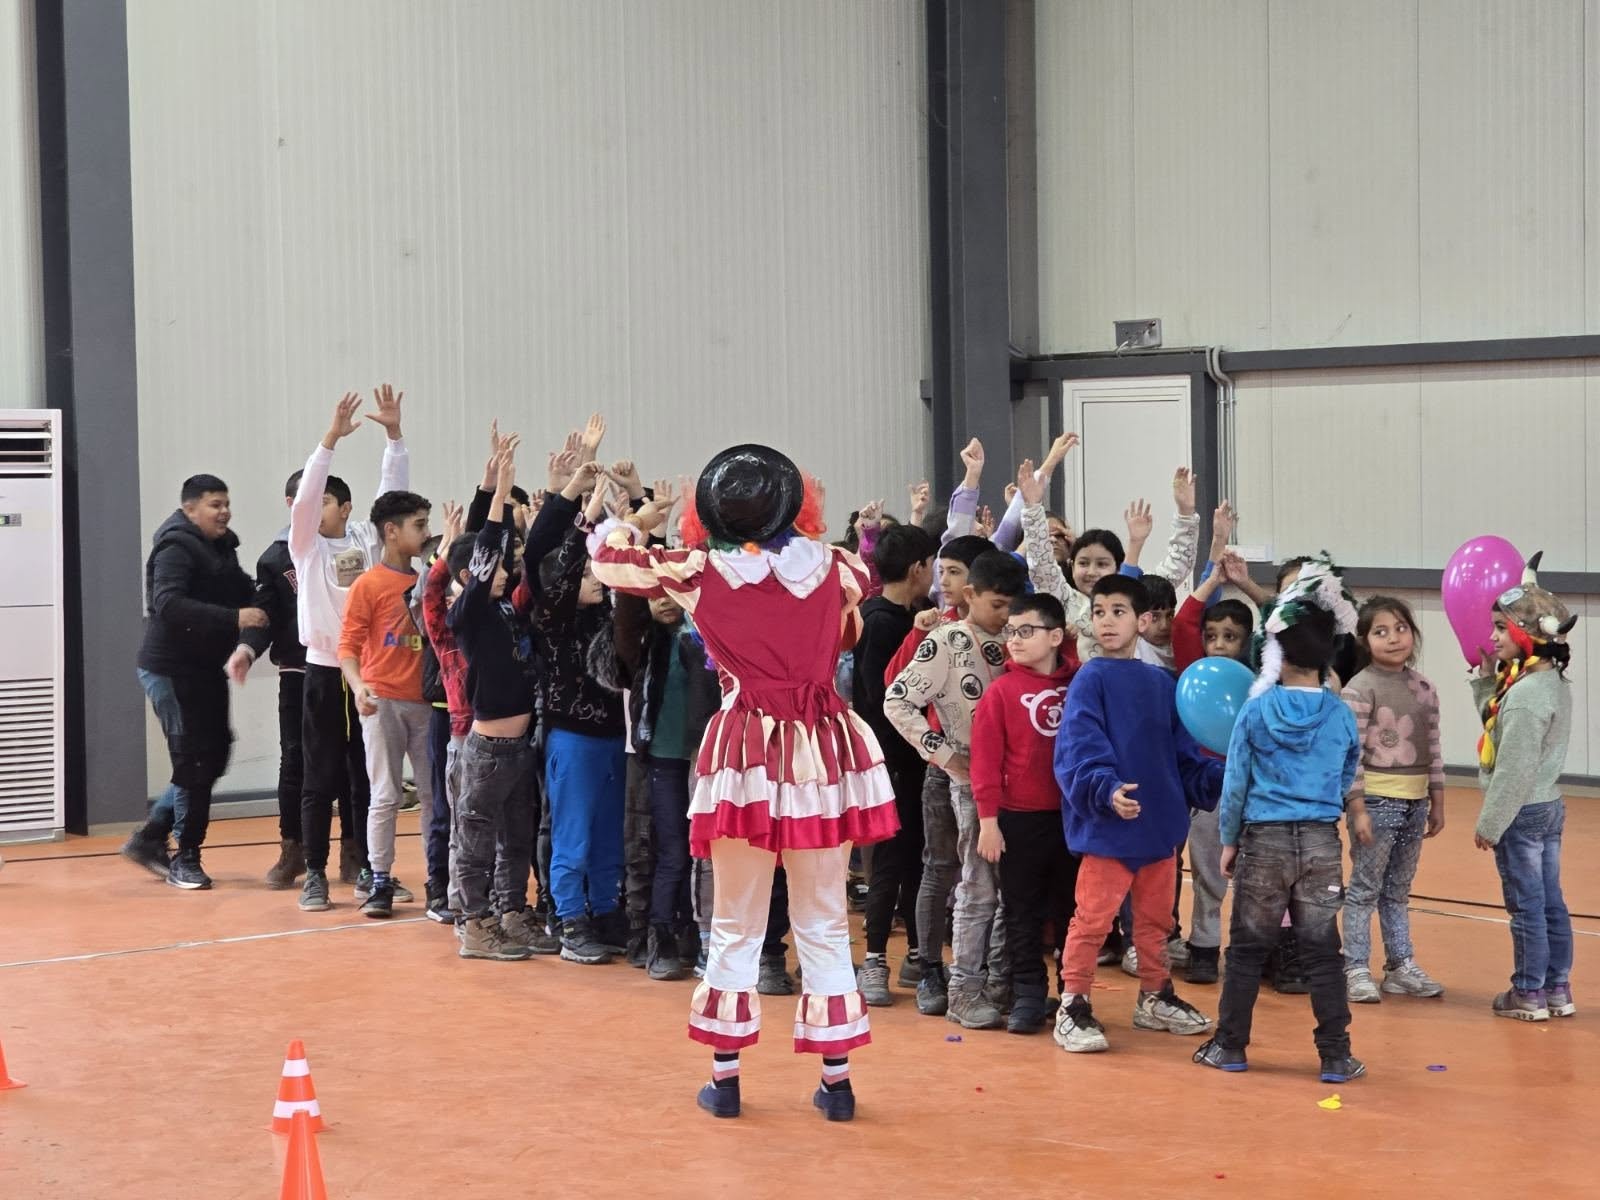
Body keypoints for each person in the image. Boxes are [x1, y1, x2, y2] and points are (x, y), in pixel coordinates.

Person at [590, 442, 898, 1123]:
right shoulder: (839, 566)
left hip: (747, 751)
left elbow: (608, 560)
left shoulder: (700, 571)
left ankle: (725, 1079)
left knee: (734, 920)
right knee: (823, 918)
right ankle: (837, 1084)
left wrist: (631, 520)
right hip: (822, 749)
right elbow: (850, 624)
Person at [1193, 558, 1365, 1083]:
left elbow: (1236, 783)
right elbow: (1347, 772)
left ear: (1276, 652)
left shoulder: (1256, 710)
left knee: (1247, 949)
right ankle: (1336, 1055)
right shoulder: (1339, 713)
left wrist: (1229, 840)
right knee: (1323, 952)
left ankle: (1230, 1046)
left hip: (1262, 840)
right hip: (1320, 843)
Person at [1051, 575, 1222, 1054]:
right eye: (1099, 611)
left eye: (1118, 612)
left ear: (1144, 621)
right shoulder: (1090, 678)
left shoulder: (1163, 684)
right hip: (1110, 828)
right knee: (1092, 919)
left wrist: (1222, 776)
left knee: (1154, 922)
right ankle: (1073, 1002)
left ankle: (1154, 994)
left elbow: (1186, 755)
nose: (1106, 621)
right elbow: (1079, 745)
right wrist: (1106, 790)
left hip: (1158, 828)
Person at [449, 441, 586, 959]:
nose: (503, 572)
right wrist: (498, 496)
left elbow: (527, 552)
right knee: (477, 839)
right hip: (487, 751)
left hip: (519, 748)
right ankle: (474, 923)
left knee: (516, 837)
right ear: (469, 578)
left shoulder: (507, 609)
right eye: (493, 570)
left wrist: (557, 494)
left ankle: (511, 913)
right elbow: (487, 552)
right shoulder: (469, 615)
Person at [885, 549, 1026, 1031]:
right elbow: (897, 700)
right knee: (971, 882)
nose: (1005, 616)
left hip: (1017, 782)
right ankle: (958, 986)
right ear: (970, 595)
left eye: (1012, 606)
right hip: (966, 779)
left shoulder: (1019, 640)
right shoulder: (945, 640)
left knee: (1013, 887)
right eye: (997, 605)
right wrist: (944, 754)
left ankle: (1000, 982)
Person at [289, 388, 411, 910]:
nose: (314, 508)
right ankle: (315, 872)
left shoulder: (367, 537)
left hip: (371, 671)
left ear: (346, 507)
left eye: (325, 501)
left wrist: (394, 437)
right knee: (320, 777)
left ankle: (367, 869)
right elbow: (305, 499)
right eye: (312, 502)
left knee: (368, 777)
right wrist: (331, 439)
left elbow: (394, 495)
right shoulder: (306, 545)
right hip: (324, 672)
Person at [122, 474, 262, 889]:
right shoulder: (175, 548)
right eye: (215, 504)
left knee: (216, 753)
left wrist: (266, 601)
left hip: (204, 668)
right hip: (171, 670)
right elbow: (167, 604)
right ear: (190, 509)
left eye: (226, 504)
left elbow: (244, 591)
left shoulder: (221, 547)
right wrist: (234, 618)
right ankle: (186, 857)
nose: (225, 512)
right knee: (194, 760)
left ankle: (150, 835)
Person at [1470, 553, 1577, 1022]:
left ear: (1526, 635)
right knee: (1551, 902)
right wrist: (1483, 685)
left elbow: (1513, 769)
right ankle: (1557, 988)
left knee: (1526, 907)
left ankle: (1527, 992)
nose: (1493, 637)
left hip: (1522, 813)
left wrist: (1491, 823)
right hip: (1548, 805)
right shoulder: (1549, 683)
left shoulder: (1525, 698)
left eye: (1500, 628)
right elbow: (1504, 731)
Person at [894, 533, 993, 1017]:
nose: (945, 581)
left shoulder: (1010, 632)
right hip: (944, 770)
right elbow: (895, 689)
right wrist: (943, 754)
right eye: (942, 571)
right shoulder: (938, 630)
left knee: (986, 877)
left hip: (995, 777)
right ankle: (929, 968)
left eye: (956, 572)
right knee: (940, 868)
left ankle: (986, 972)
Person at [533, 475, 630, 966]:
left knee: (610, 832)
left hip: (615, 737)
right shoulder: (553, 622)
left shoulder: (604, 619)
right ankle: (570, 918)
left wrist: (626, 521)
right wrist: (586, 516)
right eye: (587, 574)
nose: (595, 579)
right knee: (573, 835)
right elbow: (567, 567)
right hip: (573, 740)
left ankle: (607, 911)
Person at [972, 593, 1078, 1034]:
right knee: (1021, 912)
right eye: (1010, 631)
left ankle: (1073, 995)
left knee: (1073, 911)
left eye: (1026, 631)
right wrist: (988, 822)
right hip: (1018, 819)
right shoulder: (1001, 692)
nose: (1014, 639)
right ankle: (1029, 995)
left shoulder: (1079, 685)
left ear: (1055, 636)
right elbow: (985, 761)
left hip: (1072, 820)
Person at [1340, 596, 1446, 1004]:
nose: (1393, 638)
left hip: (1415, 802)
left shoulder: (1423, 689)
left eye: (1401, 628)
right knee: (1364, 888)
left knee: (1398, 889)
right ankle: (1355, 967)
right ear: (1365, 640)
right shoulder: (1359, 689)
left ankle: (1400, 965)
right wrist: (1358, 808)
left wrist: (1437, 801)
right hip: (1376, 803)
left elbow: (1433, 749)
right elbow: (1350, 756)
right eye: (1381, 631)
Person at [615, 575, 721, 982]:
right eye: (654, 595)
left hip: (703, 759)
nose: (664, 601)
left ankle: (697, 936)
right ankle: (660, 939)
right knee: (672, 852)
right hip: (662, 760)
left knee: (702, 855)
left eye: (671, 592)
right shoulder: (643, 645)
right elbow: (626, 621)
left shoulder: (702, 639)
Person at [853, 522, 939, 1005]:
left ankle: (918, 957)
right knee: (888, 861)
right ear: (917, 568)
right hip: (889, 760)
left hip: (916, 759)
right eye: (933, 565)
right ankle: (874, 960)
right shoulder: (881, 621)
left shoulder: (914, 615)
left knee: (917, 858)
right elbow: (879, 696)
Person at [337, 488, 433, 918]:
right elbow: (347, 646)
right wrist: (359, 685)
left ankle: (439, 878)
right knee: (386, 794)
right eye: (419, 525)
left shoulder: (428, 581)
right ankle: (379, 879)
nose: (426, 533)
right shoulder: (369, 585)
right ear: (391, 532)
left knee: (434, 794)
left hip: (426, 703)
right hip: (383, 702)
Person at [1168, 538, 1256, 987]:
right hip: (1196, 784)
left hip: (1236, 787)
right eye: (1212, 636)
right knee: (1201, 866)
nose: (1219, 645)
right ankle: (1197, 944)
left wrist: (1247, 584)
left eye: (1231, 637)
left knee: (1231, 871)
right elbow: (1184, 621)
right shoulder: (1195, 672)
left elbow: (1281, 622)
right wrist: (1214, 576)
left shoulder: (1258, 680)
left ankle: (1234, 947)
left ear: (1247, 643)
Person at [418, 503, 473, 925]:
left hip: (489, 724)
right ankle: (438, 886)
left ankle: (479, 890)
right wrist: (446, 548)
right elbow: (429, 596)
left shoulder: (483, 614)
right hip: (446, 716)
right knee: (444, 807)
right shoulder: (437, 621)